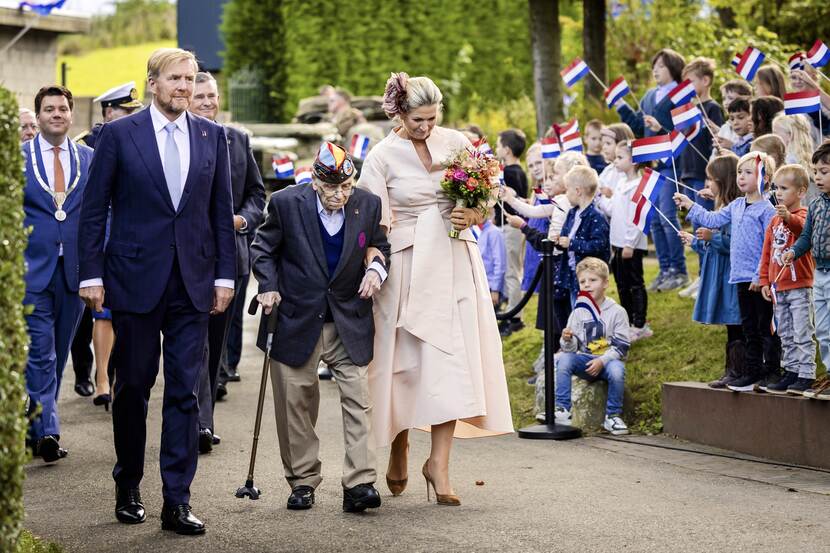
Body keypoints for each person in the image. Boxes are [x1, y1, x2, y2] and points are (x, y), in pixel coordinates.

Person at [78, 48, 236, 535]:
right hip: (134, 280)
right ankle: (128, 484)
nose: (185, 87)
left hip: (193, 284)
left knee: (185, 393)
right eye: (175, 79)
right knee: (133, 387)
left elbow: (219, 211)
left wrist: (225, 276)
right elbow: (94, 207)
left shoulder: (213, 136)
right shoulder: (119, 135)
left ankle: (176, 500)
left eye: (190, 79)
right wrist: (91, 274)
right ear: (153, 83)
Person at [358, 72, 513, 506]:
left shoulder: (459, 143)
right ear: (399, 113)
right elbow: (373, 224)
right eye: (417, 120)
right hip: (405, 264)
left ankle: (439, 463)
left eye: (431, 118)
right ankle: (399, 444)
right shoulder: (382, 156)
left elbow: (487, 193)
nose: (425, 127)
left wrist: (475, 213)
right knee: (402, 365)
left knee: (451, 361)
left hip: (453, 259)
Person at [251, 141, 390, 513]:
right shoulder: (285, 203)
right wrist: (267, 286)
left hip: (349, 317)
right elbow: (263, 248)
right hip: (296, 317)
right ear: (315, 181)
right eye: (332, 188)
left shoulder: (367, 203)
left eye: (346, 186)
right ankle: (303, 481)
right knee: (297, 402)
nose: (340, 195)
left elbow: (379, 246)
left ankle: (360, 483)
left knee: (358, 399)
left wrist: (376, 271)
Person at [188, 71, 266, 452]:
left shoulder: (238, 139)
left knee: (215, 346)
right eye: (199, 96)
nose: (206, 102)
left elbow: (256, 193)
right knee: (193, 343)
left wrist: (242, 219)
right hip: (185, 258)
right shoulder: (177, 140)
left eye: (211, 96)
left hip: (229, 257)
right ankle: (199, 422)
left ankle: (204, 415)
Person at [22, 85, 94, 462]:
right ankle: (47, 430)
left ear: (71, 115)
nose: (56, 114)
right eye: (49, 109)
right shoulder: (19, 158)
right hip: (32, 271)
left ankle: (34, 418)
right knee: (41, 354)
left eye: (63, 108)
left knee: (60, 351)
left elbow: (101, 213)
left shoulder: (88, 158)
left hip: (75, 272)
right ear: (38, 116)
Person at [675, 152, 779, 393]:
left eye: (748, 172)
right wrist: (690, 205)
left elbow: (770, 245)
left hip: (759, 280)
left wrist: (760, 275)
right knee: (749, 328)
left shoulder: (767, 210)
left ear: (764, 178)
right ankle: (751, 371)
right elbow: (711, 219)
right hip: (739, 278)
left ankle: (771, 371)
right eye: (739, 172)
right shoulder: (736, 205)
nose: (741, 177)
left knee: (766, 327)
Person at [73, 81, 145, 407]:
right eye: (124, 110)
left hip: (131, 234)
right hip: (102, 233)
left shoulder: (140, 141)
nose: (130, 116)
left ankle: (118, 376)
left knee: (127, 313)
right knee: (102, 314)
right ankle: (102, 377)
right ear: (108, 112)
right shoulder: (87, 146)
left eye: (133, 111)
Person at [617, 48, 688, 292]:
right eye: (654, 66)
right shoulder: (648, 96)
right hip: (650, 165)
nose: (655, 70)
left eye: (661, 66)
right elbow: (638, 126)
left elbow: (686, 129)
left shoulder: (680, 95)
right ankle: (665, 268)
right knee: (655, 220)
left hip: (670, 165)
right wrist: (622, 107)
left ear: (673, 68)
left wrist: (662, 126)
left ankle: (679, 270)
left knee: (668, 218)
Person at [678, 154, 743, 388]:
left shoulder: (736, 209)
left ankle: (739, 371)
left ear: (723, 181)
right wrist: (695, 241)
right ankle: (732, 370)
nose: (706, 185)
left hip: (731, 274)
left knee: (737, 323)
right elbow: (714, 244)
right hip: (720, 271)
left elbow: (733, 244)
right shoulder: (722, 206)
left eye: (710, 180)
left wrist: (712, 237)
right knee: (731, 324)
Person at [554, 257, 631, 435]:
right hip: (585, 361)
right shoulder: (578, 312)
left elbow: (622, 346)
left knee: (617, 372)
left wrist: (602, 361)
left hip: (608, 362)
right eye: (582, 281)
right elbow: (571, 349)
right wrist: (567, 339)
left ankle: (612, 416)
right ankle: (563, 409)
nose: (587, 285)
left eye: (593, 280)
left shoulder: (617, 312)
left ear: (605, 283)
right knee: (563, 360)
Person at [759, 165, 816, 394]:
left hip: (799, 285)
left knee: (802, 330)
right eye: (776, 188)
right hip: (778, 287)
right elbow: (766, 253)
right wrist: (764, 280)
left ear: (801, 191)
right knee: (785, 332)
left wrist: (788, 217)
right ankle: (791, 371)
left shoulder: (804, 216)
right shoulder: (773, 222)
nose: (779, 193)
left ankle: (806, 373)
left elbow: (803, 230)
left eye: (784, 188)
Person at [783, 142, 830, 399]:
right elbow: (807, 237)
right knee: (823, 330)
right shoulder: (816, 204)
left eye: (824, 171)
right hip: (819, 275)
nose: (817, 177)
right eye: (816, 171)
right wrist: (794, 251)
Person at [677, 57, 724, 298]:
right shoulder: (689, 110)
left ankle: (709, 277)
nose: (685, 86)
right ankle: (701, 275)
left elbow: (718, 144)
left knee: (705, 225)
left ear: (705, 81)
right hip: (688, 173)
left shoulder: (713, 108)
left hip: (703, 175)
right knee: (696, 227)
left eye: (690, 81)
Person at [606, 140, 650, 340]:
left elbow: (638, 217)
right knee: (622, 284)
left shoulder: (638, 186)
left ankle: (640, 324)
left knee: (635, 283)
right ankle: (629, 320)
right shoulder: (622, 183)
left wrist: (630, 243)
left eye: (619, 157)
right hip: (617, 243)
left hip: (629, 245)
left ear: (633, 161)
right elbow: (613, 210)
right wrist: (598, 198)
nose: (615, 161)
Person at [495, 128, 529, 336]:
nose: (496, 148)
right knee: (512, 270)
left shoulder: (510, 173)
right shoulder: (517, 171)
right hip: (511, 227)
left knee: (512, 272)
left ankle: (514, 317)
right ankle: (512, 313)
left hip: (512, 227)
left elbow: (512, 195)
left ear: (507, 150)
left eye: (498, 145)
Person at [75, 81, 144, 149]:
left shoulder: (135, 141)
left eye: (133, 111)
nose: (133, 116)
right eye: (128, 111)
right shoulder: (86, 143)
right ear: (109, 112)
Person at [520, 143, 548, 298]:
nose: (535, 168)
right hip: (534, 240)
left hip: (542, 236)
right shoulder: (536, 189)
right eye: (531, 165)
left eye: (538, 163)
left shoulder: (550, 187)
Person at [771, 114, 816, 201]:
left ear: (790, 135)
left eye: (775, 133)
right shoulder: (812, 160)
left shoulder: (788, 164)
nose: (773, 137)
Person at [473, 209, 507, 309]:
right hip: (475, 285)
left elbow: (500, 263)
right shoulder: (470, 231)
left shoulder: (494, 232)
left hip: (489, 286)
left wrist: (495, 290)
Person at [715, 80, 752, 152]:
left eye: (730, 98)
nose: (726, 103)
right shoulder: (725, 128)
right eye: (724, 99)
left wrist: (732, 146)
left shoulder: (750, 131)